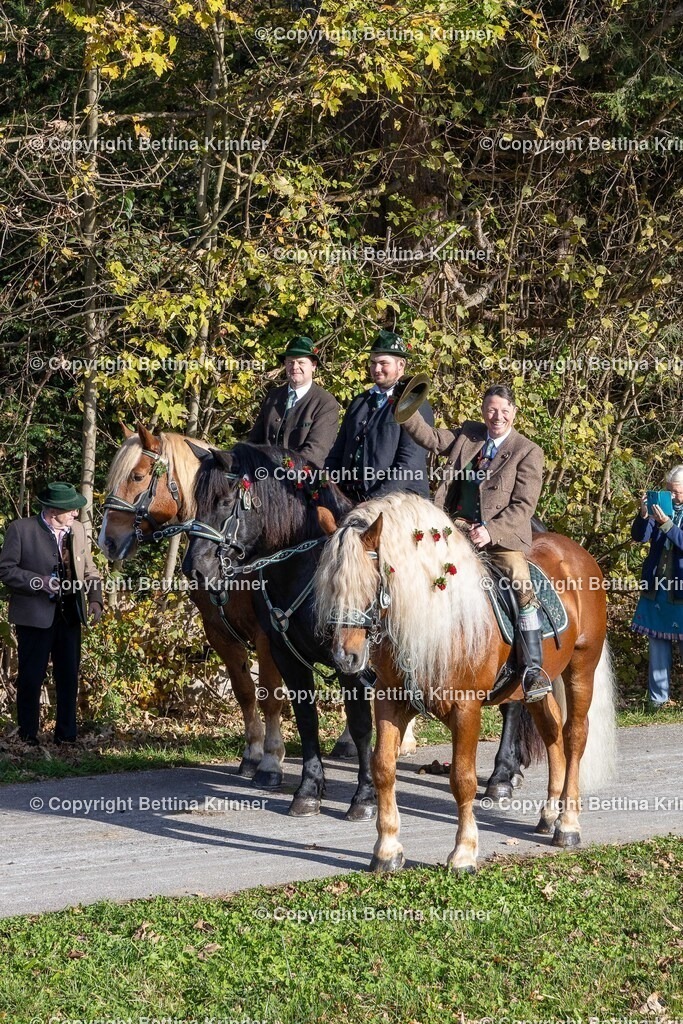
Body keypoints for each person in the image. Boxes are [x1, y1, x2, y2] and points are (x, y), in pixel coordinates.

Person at [397, 383, 550, 702]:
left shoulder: (528, 450)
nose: (498, 416)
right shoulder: (468, 434)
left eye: (505, 411)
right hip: (454, 529)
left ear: (514, 413)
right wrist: (406, 408)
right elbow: (431, 438)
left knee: (521, 586)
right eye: (492, 409)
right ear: (483, 410)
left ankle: (533, 670)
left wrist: (491, 531)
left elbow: (524, 505)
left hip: (501, 539)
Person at [0, 482, 103, 745]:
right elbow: (6, 571)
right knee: (31, 678)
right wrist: (39, 581)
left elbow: (90, 569)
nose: (76, 514)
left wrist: (95, 600)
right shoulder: (20, 530)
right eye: (70, 510)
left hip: (70, 614)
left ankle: (67, 737)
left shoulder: (78, 530)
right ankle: (27, 737)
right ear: (52, 510)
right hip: (34, 617)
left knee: (68, 676)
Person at [325, 330, 433, 502]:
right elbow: (338, 451)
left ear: (401, 365)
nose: (376, 369)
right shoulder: (359, 401)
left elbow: (409, 464)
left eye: (384, 363)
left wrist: (374, 501)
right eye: (373, 363)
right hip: (351, 496)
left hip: (401, 501)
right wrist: (326, 484)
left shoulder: (415, 403)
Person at [631, 466, 683, 709]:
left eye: (677, 493)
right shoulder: (660, 509)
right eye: (669, 491)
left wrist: (668, 525)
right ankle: (657, 700)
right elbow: (640, 537)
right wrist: (643, 515)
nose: (672, 497)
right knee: (657, 644)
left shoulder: (667, 516)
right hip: (658, 586)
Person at [247, 335, 339, 468]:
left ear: (313, 366)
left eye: (301, 362)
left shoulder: (325, 403)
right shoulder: (273, 396)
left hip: (304, 480)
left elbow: (316, 452)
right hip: (264, 476)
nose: (295, 367)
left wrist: (283, 471)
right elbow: (254, 441)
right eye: (290, 362)